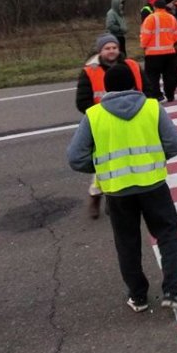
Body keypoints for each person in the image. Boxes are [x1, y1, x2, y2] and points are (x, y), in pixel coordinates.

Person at [66, 63, 177, 313]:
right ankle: (172, 292)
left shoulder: (94, 115)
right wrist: (155, 159)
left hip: (117, 191)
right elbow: (174, 143)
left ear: (106, 89)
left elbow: (75, 158)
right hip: (154, 185)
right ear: (134, 84)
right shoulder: (152, 108)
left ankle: (138, 296)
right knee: (167, 235)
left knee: (127, 243)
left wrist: (104, 166)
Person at [75, 33, 146, 218]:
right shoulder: (90, 71)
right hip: (104, 124)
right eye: (107, 48)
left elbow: (146, 88)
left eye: (114, 47)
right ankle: (96, 195)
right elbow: (82, 102)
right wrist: (101, 116)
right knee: (105, 163)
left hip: (132, 119)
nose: (111, 51)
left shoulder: (131, 65)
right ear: (100, 51)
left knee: (130, 159)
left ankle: (120, 198)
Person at [140, 0, 177, 103]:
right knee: (169, 75)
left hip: (153, 53)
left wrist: (143, 46)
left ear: (154, 7)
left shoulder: (150, 18)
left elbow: (145, 35)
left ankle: (157, 95)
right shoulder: (172, 18)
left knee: (153, 76)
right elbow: (176, 36)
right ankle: (170, 95)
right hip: (169, 52)